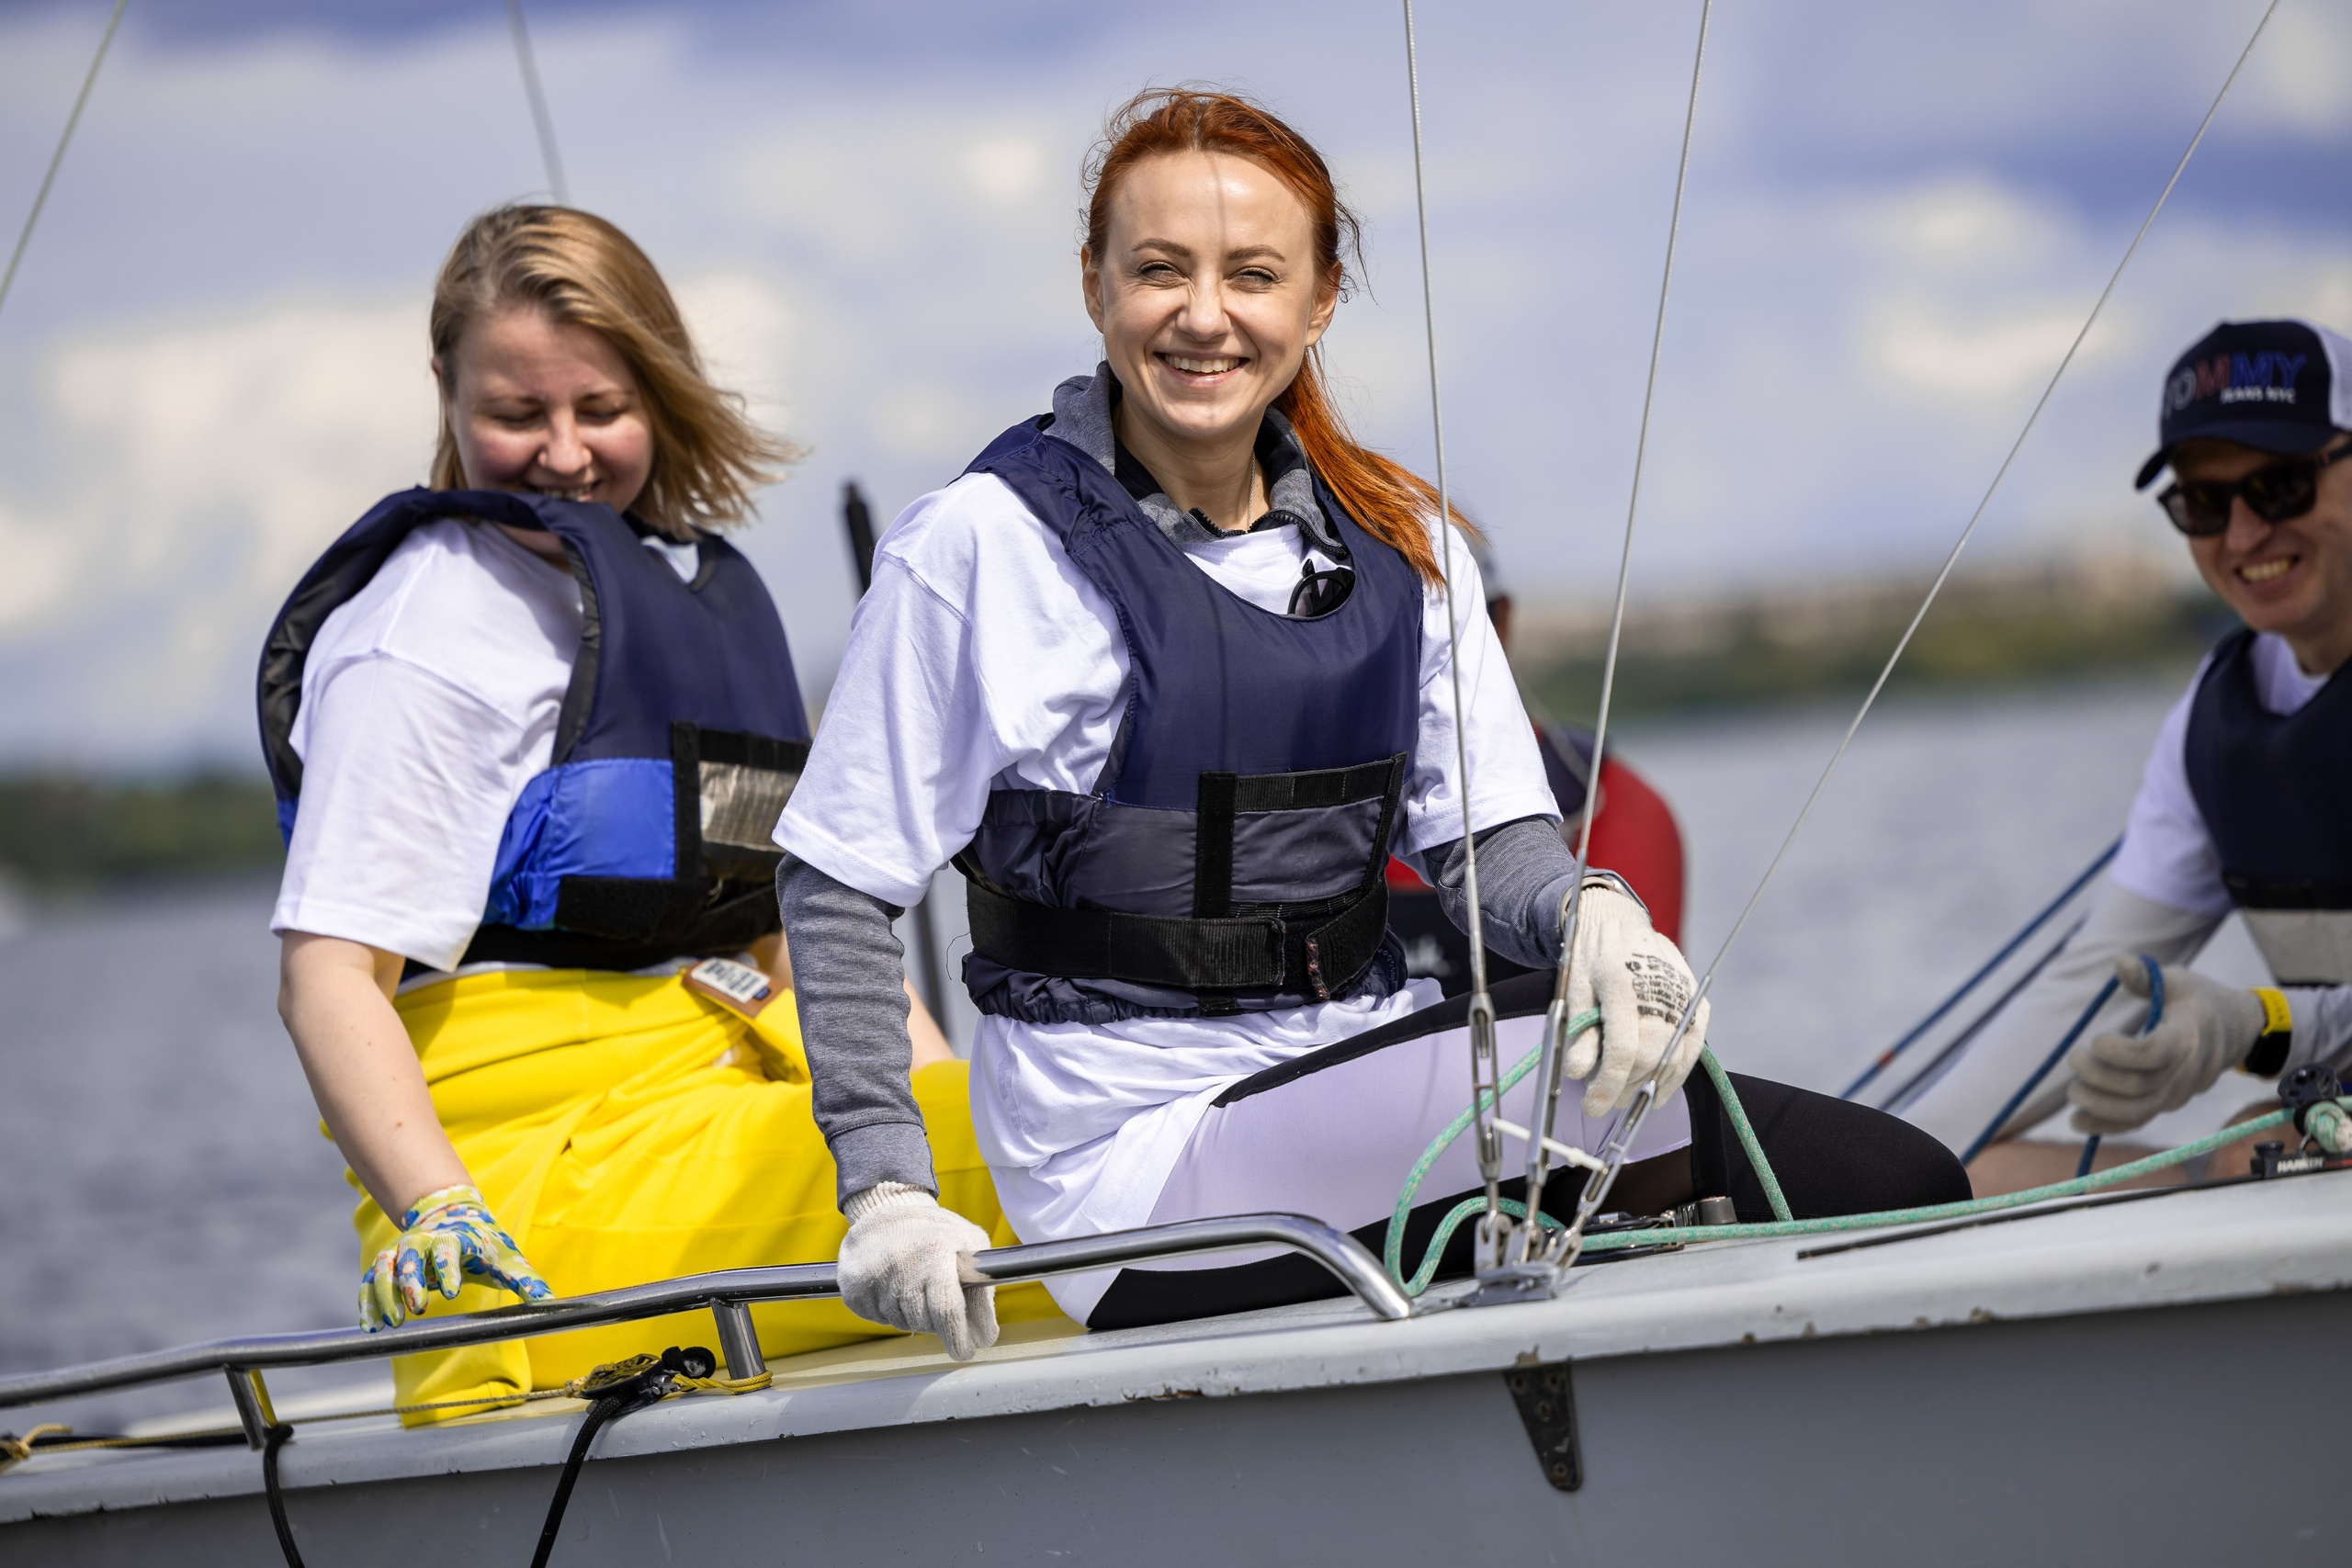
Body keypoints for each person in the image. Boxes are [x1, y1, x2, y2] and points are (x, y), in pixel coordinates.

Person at [774, 89, 1967, 1358]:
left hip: (1349, 1081)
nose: (1204, 314)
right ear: (1094, 282)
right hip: (1126, 1169)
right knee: (1870, 1175)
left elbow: (1489, 850)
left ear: (1319, 300)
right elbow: (840, 879)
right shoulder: (977, 548)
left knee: (1693, 1121)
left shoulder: (1404, 547)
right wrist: (887, 1184)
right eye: (1160, 270)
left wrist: (1593, 912)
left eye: (1252, 274)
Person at [262, 205, 1050, 1422]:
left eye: (601, 409)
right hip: (541, 1195)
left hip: (719, 1106)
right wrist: (440, 1212)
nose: (565, 453)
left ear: (661, 389)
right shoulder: (424, 628)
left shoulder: (696, 603)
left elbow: (797, 939)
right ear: (446, 388)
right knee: (1072, 1155)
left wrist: (936, 1097)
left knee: (1064, 1093)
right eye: (518, 414)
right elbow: (327, 974)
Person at [1904, 319, 2352, 1167]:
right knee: (1968, 1172)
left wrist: (2255, 1026)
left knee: (2260, 1138)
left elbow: (2264, 1037)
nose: (2246, 535)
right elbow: (2092, 992)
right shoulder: (2213, 722)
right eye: (2204, 503)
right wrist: (1866, 1168)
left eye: (2283, 485)